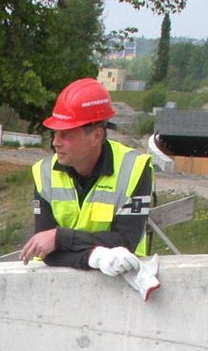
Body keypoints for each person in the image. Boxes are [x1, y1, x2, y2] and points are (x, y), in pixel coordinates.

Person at [16, 78, 159, 296]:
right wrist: (96, 257)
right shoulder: (43, 173)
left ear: (97, 136)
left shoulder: (135, 169)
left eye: (66, 134)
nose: (56, 141)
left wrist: (60, 238)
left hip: (121, 292)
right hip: (55, 291)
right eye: (55, 132)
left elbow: (125, 242)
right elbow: (45, 251)